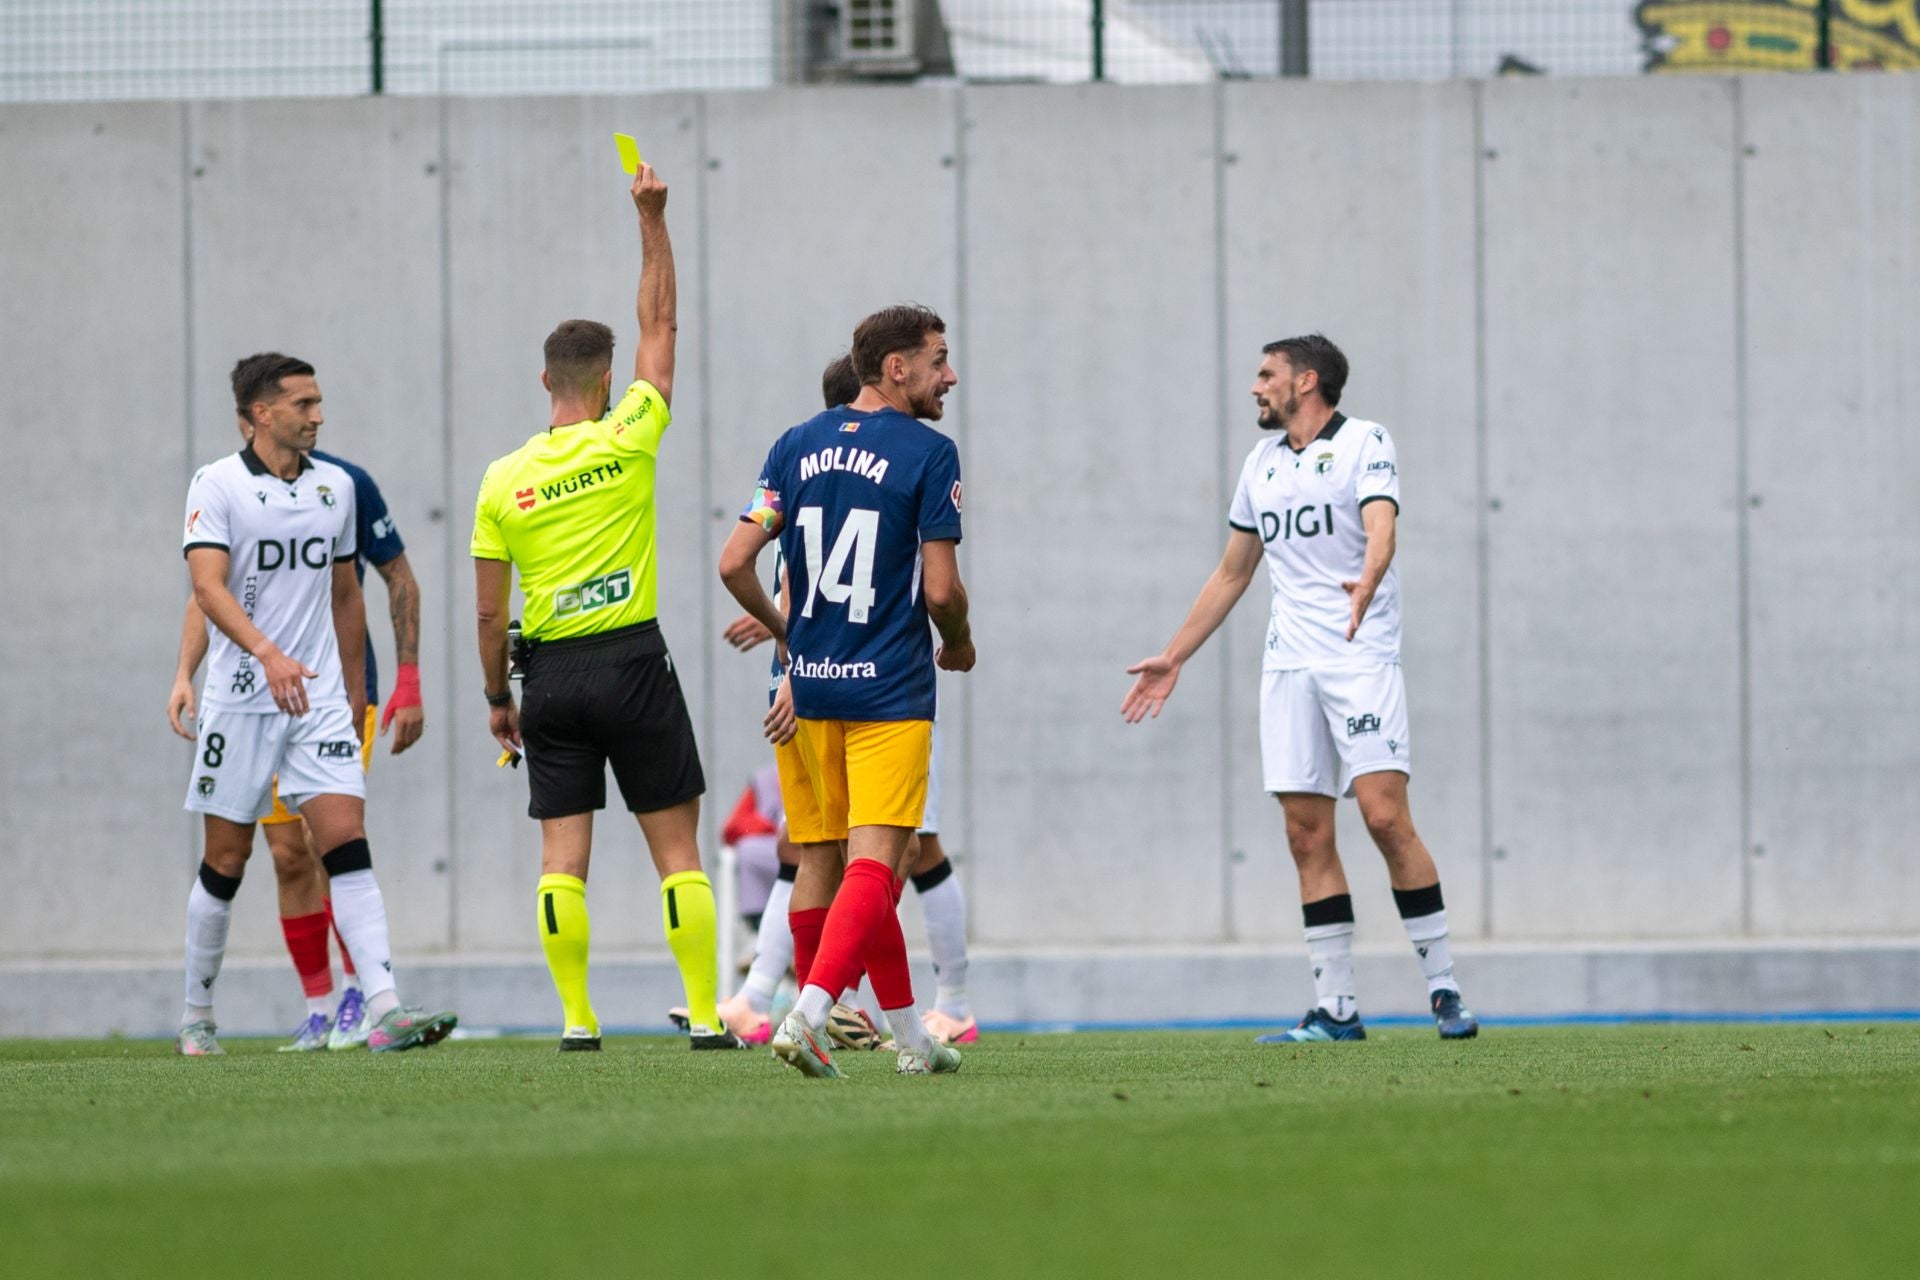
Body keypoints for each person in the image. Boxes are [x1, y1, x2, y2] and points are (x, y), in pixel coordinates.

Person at [1122, 334, 1478, 1042]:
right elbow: (1232, 573)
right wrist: (1175, 655)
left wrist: (1371, 576)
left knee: (1384, 817)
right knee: (1304, 833)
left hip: (1360, 656)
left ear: (1306, 381)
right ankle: (1336, 1009)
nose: (1255, 387)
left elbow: (1383, 527)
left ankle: (1444, 989)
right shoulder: (1260, 464)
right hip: (1289, 665)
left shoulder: (1365, 442)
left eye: (1267, 375)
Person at [472, 163, 738, 1052]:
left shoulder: (502, 479)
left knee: (562, 864)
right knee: (678, 854)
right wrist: (652, 218)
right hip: (631, 662)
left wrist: (496, 700)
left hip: (547, 677)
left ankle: (578, 1021)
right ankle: (704, 1015)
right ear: (610, 375)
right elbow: (662, 318)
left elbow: (484, 614)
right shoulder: (631, 433)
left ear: (542, 378)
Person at [719, 304, 975, 1078]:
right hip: (889, 687)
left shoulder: (794, 447)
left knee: (823, 863)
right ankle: (806, 1014)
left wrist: (790, 635)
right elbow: (939, 589)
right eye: (938, 359)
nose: (950, 374)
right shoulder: (931, 454)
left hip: (809, 692)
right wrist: (959, 642)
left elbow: (734, 562)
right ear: (896, 368)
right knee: (878, 860)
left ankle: (912, 1040)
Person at [177, 352, 455, 1055]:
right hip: (242, 700)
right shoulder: (217, 485)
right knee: (229, 860)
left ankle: (385, 1008)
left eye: (319, 402)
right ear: (262, 413)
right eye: (303, 404)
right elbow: (208, 588)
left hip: (320, 703)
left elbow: (346, 594)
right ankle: (196, 1012)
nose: (318, 415)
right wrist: (251, 659)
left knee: (346, 847)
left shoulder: (337, 486)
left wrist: (350, 696)